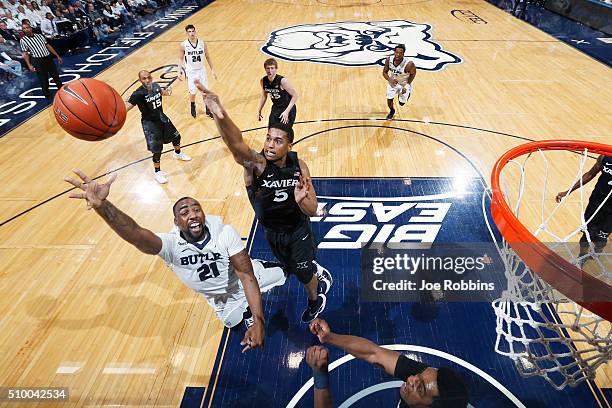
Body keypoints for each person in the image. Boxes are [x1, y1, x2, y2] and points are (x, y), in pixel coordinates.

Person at [64, 169, 287, 352]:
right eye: (184, 211)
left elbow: (246, 276)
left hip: (244, 280)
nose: (192, 214)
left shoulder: (224, 232)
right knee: (234, 323)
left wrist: (259, 322)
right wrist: (104, 207)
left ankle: (290, 272)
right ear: (176, 221)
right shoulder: (171, 245)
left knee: (284, 274)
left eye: (196, 209)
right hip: (221, 300)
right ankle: (245, 311)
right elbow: (135, 234)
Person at [193, 81, 332, 323]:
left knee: (301, 272)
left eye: (278, 141)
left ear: (289, 145)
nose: (270, 144)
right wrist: (220, 113)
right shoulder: (256, 165)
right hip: (272, 233)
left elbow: (312, 209)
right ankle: (312, 269)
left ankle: (314, 298)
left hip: (297, 231)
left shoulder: (299, 167)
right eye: (268, 138)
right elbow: (236, 145)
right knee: (289, 266)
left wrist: (301, 201)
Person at [308, 319, 469, 408]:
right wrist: (328, 337)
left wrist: (320, 376)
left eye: (419, 388)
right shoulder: (425, 378)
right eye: (419, 374)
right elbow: (374, 353)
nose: (410, 379)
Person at [125, 70, 192, 184]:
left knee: (177, 137)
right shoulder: (138, 94)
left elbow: (163, 92)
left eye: (148, 77)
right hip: (149, 123)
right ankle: (157, 172)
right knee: (157, 149)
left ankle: (177, 153)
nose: (147, 80)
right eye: (144, 78)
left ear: (151, 77)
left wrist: (170, 89)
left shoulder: (156, 86)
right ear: (140, 80)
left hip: (161, 117)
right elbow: (127, 107)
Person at [556, 155, 612, 264]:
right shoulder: (605, 157)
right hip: (596, 203)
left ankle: (598, 248)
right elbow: (590, 174)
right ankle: (582, 256)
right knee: (587, 235)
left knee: (601, 239)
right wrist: (568, 191)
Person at [178, 24, 217, 118]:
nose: (191, 33)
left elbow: (208, 57)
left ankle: (208, 109)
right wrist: (178, 71)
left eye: (193, 31)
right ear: (187, 33)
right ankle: (192, 105)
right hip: (191, 71)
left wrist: (213, 70)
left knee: (205, 91)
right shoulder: (183, 45)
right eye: (189, 32)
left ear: (195, 31)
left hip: (201, 70)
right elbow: (180, 58)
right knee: (193, 92)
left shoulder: (202, 43)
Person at [19, 21, 63, 99]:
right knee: (43, 78)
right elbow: (25, 53)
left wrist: (57, 56)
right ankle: (47, 95)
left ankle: (61, 89)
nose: (26, 29)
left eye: (27, 27)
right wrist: (29, 65)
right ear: (23, 30)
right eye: (24, 29)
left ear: (31, 28)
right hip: (37, 60)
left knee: (55, 74)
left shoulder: (40, 36)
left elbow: (48, 46)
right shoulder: (23, 40)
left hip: (48, 57)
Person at [257, 58, 298, 126]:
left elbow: (295, 95)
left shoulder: (282, 81)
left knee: (284, 134)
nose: (270, 71)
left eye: (272, 68)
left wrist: (286, 112)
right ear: (265, 69)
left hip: (288, 108)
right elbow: (264, 96)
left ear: (276, 69)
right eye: (268, 68)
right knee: (271, 131)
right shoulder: (263, 81)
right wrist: (259, 110)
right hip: (276, 108)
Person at [382, 44, 416, 120]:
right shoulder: (388, 60)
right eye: (396, 52)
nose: (398, 55)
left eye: (400, 53)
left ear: (403, 54)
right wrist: (390, 80)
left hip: (404, 84)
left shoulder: (409, 64)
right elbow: (384, 72)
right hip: (393, 83)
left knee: (401, 103)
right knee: (389, 99)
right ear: (394, 52)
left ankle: (406, 93)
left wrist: (407, 85)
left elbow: (413, 74)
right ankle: (392, 111)